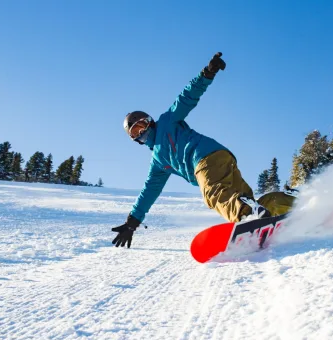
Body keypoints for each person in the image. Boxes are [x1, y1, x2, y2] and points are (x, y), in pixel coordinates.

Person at [112, 52, 295, 248]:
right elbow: (148, 192)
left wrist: (207, 73)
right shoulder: (158, 163)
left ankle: (249, 216)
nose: (143, 131)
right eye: (136, 132)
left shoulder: (168, 121)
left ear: (150, 121)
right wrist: (132, 222)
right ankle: (290, 204)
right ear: (135, 140)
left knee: (214, 194)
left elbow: (187, 97)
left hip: (204, 159)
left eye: (143, 124)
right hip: (223, 158)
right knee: (245, 199)